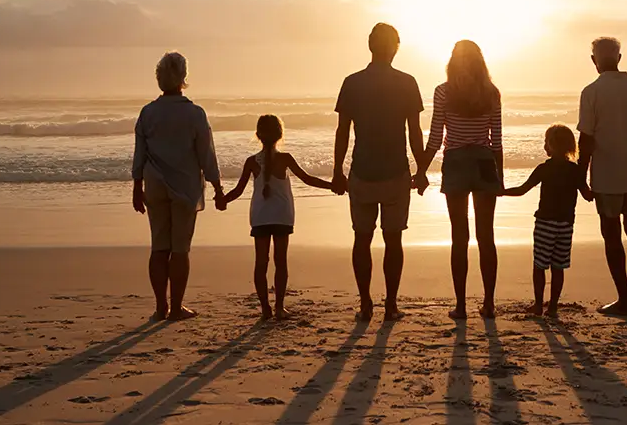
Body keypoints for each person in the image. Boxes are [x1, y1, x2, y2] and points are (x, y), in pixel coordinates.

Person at [333, 23, 426, 322]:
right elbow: (415, 133)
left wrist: (338, 170)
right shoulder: (407, 82)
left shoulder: (352, 82)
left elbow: (342, 132)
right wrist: (421, 169)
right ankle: (391, 305)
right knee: (393, 239)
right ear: (395, 47)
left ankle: (365, 303)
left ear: (370, 46)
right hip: (396, 171)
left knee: (362, 238)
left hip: (362, 170)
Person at [414, 40, 504, 320]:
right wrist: (498, 177)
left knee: (459, 237)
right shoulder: (492, 92)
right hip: (484, 161)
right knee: (486, 237)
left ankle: (462, 306)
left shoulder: (443, 92)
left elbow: (435, 138)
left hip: (455, 162)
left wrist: (420, 171)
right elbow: (497, 140)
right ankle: (488, 305)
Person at [131, 51, 223, 321]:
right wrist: (217, 187)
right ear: (183, 77)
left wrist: (137, 187)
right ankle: (176, 307)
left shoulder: (148, 113)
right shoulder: (194, 114)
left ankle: (160, 307)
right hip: (185, 187)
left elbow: (139, 154)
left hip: (155, 185)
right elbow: (206, 155)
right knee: (180, 248)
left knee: (159, 246)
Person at [217, 115, 334, 321]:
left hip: (260, 216)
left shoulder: (251, 161)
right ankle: (279, 307)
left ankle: (265, 309)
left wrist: (222, 199)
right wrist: (333, 186)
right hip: (282, 214)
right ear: (280, 135)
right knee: (281, 261)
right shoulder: (285, 158)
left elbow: (238, 190)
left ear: (258, 135)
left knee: (261, 262)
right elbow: (308, 179)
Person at [577, 37, 627, 316]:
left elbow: (585, 139)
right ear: (619, 58)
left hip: (607, 175)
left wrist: (580, 177)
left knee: (611, 234)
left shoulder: (592, 92)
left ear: (594, 60)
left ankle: (624, 298)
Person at [501, 124, 592, 319]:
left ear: (550, 145)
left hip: (545, 223)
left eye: (545, 142)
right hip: (566, 224)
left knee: (539, 265)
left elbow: (522, 190)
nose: (544, 146)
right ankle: (553, 307)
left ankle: (538, 305)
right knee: (558, 266)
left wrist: (500, 192)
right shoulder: (574, 170)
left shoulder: (544, 168)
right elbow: (587, 195)